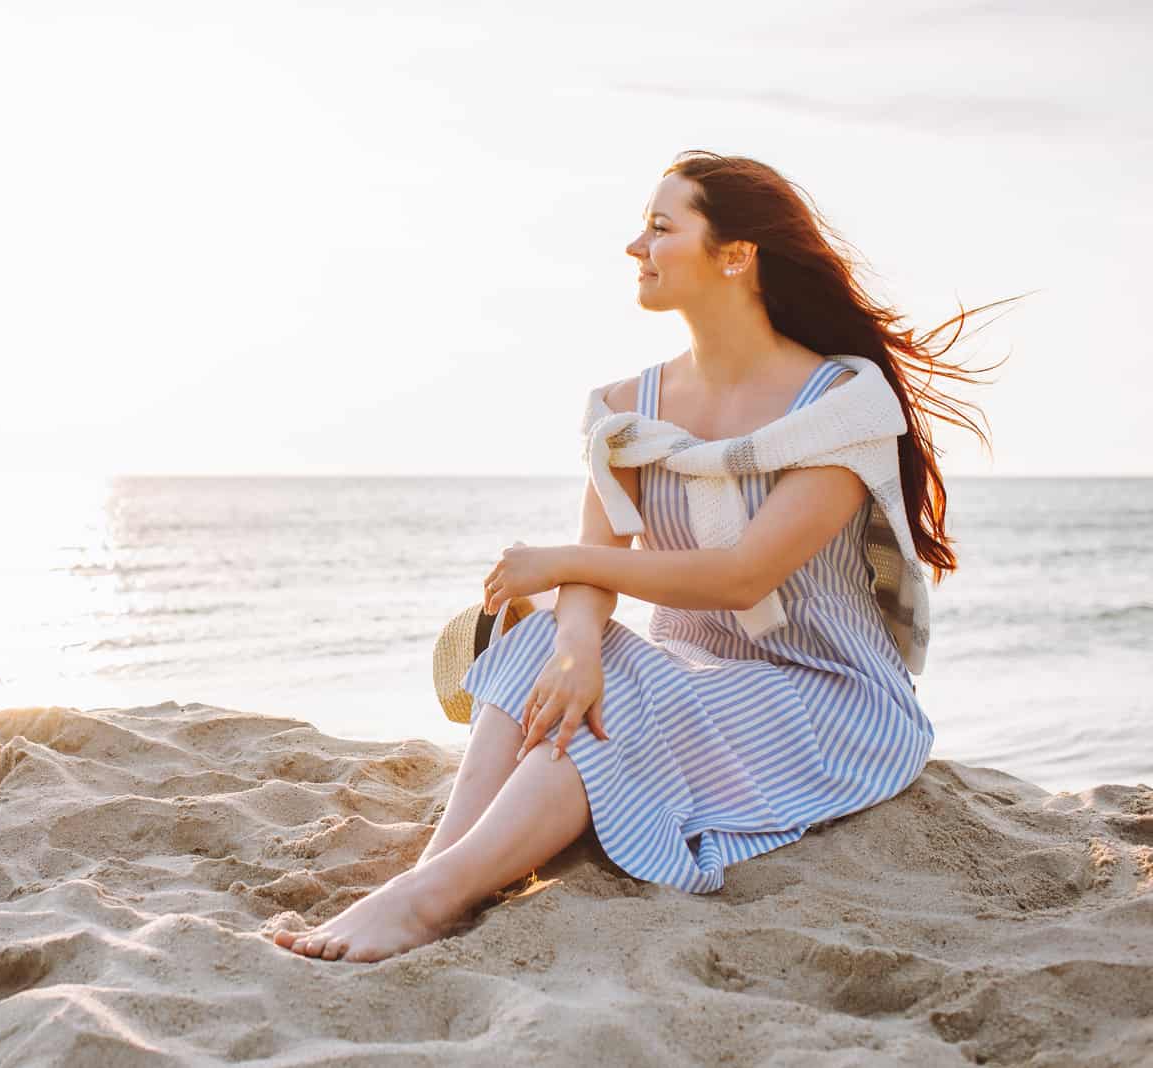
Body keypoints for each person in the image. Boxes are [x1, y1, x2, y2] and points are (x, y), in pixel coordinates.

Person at [266, 149, 1017, 964]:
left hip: (829, 698)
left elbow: (741, 578)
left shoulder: (840, 404)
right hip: (692, 674)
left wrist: (556, 564)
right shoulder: (628, 410)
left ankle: (425, 901)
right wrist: (579, 647)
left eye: (661, 228)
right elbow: (598, 563)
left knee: (604, 701)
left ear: (737, 255)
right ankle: (428, 878)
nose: (636, 246)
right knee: (549, 654)